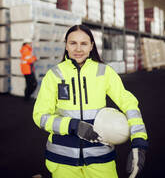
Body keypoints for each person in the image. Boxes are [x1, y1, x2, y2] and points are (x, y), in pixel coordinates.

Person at [33, 24, 148, 178]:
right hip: (62, 160)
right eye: (73, 43)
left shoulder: (104, 72)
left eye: (84, 43)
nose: (78, 49)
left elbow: (129, 105)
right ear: (66, 45)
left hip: (100, 158)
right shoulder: (54, 75)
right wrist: (73, 126)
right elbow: (40, 116)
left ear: (91, 46)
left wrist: (139, 142)